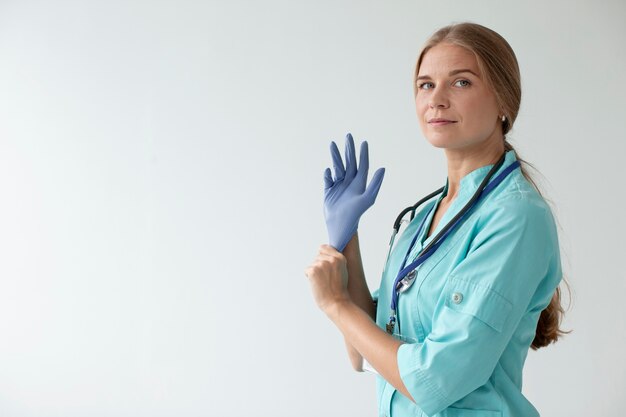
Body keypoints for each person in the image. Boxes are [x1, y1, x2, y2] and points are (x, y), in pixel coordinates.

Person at [305, 22, 569, 417]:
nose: (437, 100)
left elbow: (432, 381)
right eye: (426, 84)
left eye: (461, 83)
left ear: (504, 103)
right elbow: (363, 352)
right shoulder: (424, 217)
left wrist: (336, 304)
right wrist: (346, 237)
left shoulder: (515, 216)